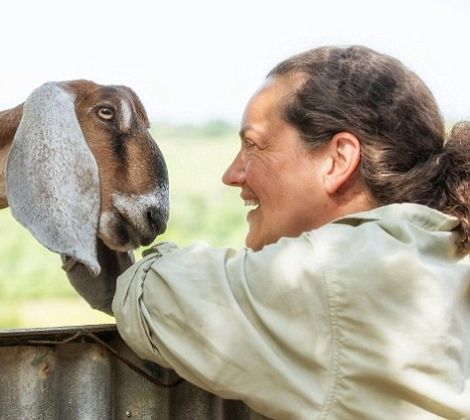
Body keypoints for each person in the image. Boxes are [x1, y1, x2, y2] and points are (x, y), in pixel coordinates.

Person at [66, 45, 470, 419]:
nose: (232, 174)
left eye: (253, 145)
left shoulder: (342, 275)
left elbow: (164, 298)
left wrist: (120, 274)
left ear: (338, 160)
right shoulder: (440, 252)